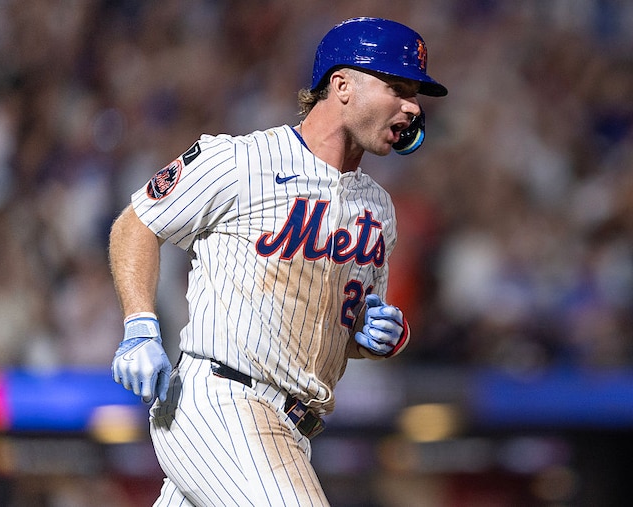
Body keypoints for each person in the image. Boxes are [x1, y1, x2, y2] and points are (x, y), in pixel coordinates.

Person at [108, 16, 447, 507]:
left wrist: (371, 337)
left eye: (414, 93)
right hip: (221, 398)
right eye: (397, 87)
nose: (412, 106)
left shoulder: (379, 209)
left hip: (292, 424)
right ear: (342, 85)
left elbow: (338, 331)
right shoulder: (242, 161)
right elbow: (137, 223)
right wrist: (140, 324)